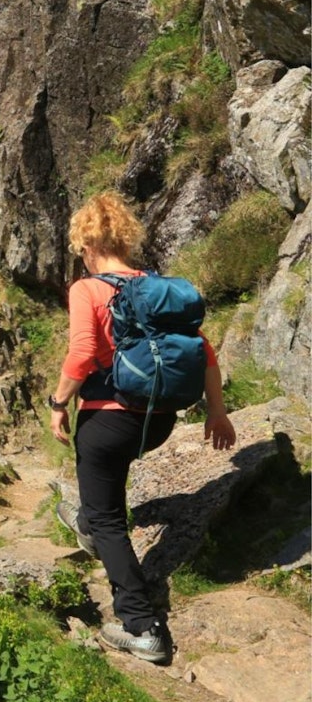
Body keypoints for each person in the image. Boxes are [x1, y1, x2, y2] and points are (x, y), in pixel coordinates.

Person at [47, 192, 237, 665]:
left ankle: (142, 627)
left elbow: (83, 352)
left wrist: (57, 403)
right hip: (158, 422)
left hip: (108, 420)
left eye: (81, 250)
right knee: (102, 498)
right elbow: (205, 353)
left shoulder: (87, 289)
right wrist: (217, 412)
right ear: (125, 240)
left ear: (87, 245)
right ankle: (88, 521)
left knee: (110, 519)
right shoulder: (155, 288)